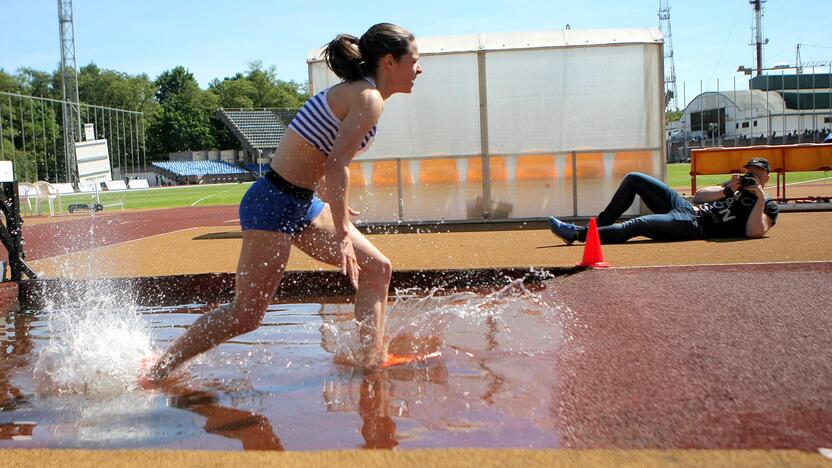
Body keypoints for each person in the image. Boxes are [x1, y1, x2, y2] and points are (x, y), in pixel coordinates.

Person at [144, 23, 422, 384]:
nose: (419, 68)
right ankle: (158, 369)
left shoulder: (361, 95)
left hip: (300, 202)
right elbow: (337, 162)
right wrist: (340, 230)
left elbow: (318, 149)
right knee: (246, 315)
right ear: (389, 61)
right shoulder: (367, 98)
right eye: (414, 61)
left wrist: (328, 196)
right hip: (273, 202)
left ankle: (372, 359)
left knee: (377, 268)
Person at [548, 158, 778, 244]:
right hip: (687, 207)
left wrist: (758, 197)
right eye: (749, 171)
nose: (752, 176)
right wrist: (728, 189)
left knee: (638, 224)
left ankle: (578, 234)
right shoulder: (733, 186)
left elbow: (754, 232)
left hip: (696, 225)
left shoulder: (767, 204)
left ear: (767, 177)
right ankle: (599, 227)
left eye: (757, 173)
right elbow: (699, 196)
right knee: (634, 179)